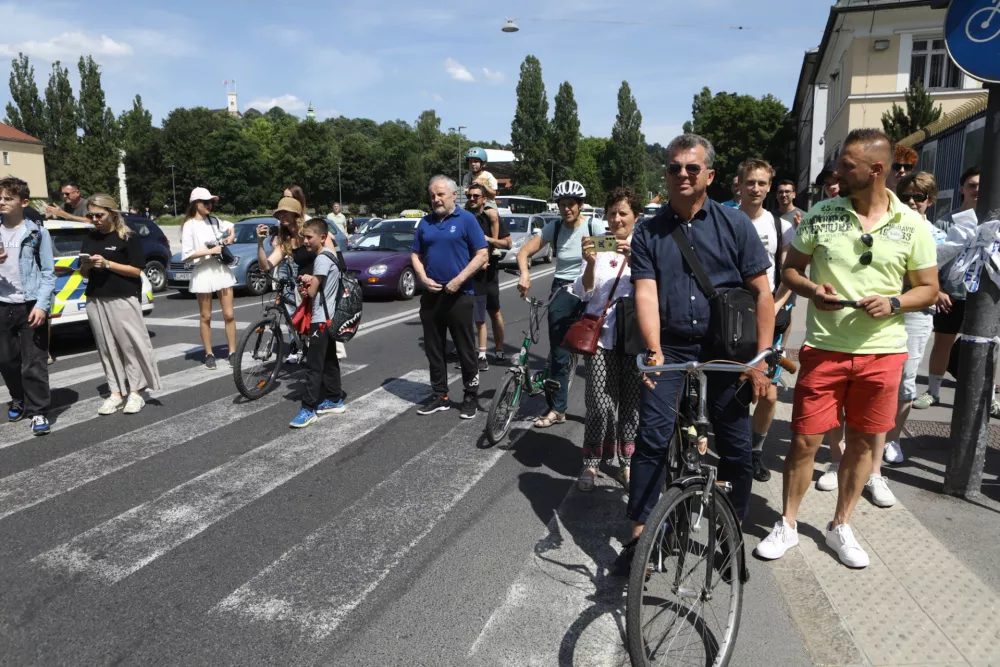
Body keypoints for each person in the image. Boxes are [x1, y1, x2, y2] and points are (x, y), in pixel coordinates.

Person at [756, 128, 938, 568]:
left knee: (860, 444)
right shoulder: (822, 214)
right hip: (823, 348)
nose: (837, 172)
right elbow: (791, 270)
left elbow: (929, 289)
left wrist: (894, 301)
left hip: (884, 353)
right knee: (803, 441)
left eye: (846, 165)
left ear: (876, 170)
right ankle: (789, 524)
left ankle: (841, 525)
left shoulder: (912, 224)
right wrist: (813, 290)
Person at [623, 134, 774, 567]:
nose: (683, 174)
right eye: (674, 167)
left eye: (692, 168)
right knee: (651, 435)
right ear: (666, 174)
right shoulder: (649, 231)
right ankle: (640, 534)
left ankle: (732, 532)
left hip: (726, 346)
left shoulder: (735, 225)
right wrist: (652, 350)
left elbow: (761, 293)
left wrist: (761, 357)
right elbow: (646, 294)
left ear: (709, 175)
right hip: (670, 343)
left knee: (736, 444)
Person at [877, 172, 947, 504]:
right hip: (883, 308)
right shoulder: (889, 225)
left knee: (906, 380)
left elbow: (934, 276)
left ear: (930, 201)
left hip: (917, 314)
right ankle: (859, 444)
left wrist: (938, 289)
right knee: (874, 377)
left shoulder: (935, 233)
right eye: (907, 195)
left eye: (919, 197)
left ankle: (893, 440)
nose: (912, 202)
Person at [516, 180, 607, 428]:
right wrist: (524, 274)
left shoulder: (593, 224)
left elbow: (611, 248)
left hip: (591, 287)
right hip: (562, 289)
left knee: (595, 352)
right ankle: (558, 409)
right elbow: (523, 253)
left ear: (581, 205)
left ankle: (600, 409)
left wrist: (594, 248)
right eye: (562, 205)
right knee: (559, 352)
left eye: (571, 205)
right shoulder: (554, 227)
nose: (566, 209)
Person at [572, 187, 643, 492]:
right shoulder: (599, 245)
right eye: (612, 212)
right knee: (599, 403)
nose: (616, 219)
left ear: (635, 216)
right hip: (600, 336)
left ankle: (627, 463)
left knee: (630, 404)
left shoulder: (646, 244)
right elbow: (585, 291)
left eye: (623, 212)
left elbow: (657, 289)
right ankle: (591, 461)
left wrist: (637, 259)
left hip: (634, 336)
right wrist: (589, 262)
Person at [411, 175, 488, 419]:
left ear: (454, 195)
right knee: (434, 349)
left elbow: (482, 255)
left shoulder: (466, 220)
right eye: (432, 195)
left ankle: (470, 396)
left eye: (441, 194)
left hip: (460, 294)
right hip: (431, 295)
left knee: (465, 349)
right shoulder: (425, 223)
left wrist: (458, 280)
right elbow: (415, 255)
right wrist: (423, 278)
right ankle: (440, 395)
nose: (436, 199)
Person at [739, 158, 795, 483]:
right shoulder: (728, 221)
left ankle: (755, 450)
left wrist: (776, 306)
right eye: (750, 182)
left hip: (769, 318)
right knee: (734, 385)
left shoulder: (780, 227)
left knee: (769, 394)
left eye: (761, 183)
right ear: (740, 184)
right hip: (732, 318)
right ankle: (732, 445)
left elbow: (788, 274)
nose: (756, 188)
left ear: (769, 186)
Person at [79, 194, 161, 415]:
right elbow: (83, 274)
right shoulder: (91, 238)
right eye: (91, 215)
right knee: (106, 347)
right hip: (96, 297)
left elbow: (136, 270)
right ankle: (115, 392)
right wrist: (86, 265)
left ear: (112, 214)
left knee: (130, 346)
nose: (95, 219)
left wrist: (107, 263)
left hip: (123, 297)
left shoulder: (127, 237)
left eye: (99, 215)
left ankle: (136, 392)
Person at [913, 165, 981, 410]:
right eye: (971, 185)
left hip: (982, 298)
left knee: (989, 346)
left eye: (980, 185)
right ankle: (933, 391)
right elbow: (932, 261)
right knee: (943, 342)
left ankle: (988, 397)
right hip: (951, 295)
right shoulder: (946, 222)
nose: (976, 189)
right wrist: (938, 290)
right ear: (962, 188)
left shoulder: (993, 223)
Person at [0, 176, 55, 435]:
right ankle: (18, 397)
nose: (1, 202)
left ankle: (38, 410)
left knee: (33, 362)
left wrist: (42, 305)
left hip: (30, 304)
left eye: (7, 198)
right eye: (0, 198)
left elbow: (48, 273)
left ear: (24, 202)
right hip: (2, 305)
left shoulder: (37, 233)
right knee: (6, 360)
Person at [288, 218, 346, 428]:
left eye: (309, 237)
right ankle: (334, 399)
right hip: (331, 318)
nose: (305, 241)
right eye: (304, 236)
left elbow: (313, 291)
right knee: (330, 360)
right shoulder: (331, 256)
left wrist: (306, 284)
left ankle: (308, 408)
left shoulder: (321, 259)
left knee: (314, 366)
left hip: (321, 319)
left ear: (322, 237)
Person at [181, 187, 237, 370]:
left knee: (229, 314)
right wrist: (210, 251)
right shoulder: (189, 225)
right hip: (203, 270)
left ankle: (232, 352)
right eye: (206, 202)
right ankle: (209, 353)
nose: (209, 205)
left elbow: (230, 225)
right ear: (196, 204)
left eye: (211, 202)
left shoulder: (213, 221)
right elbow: (187, 255)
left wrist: (231, 236)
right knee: (206, 316)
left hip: (220, 269)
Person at [257, 197, 310, 363]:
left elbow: (326, 255)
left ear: (295, 214)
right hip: (300, 284)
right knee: (290, 312)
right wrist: (259, 242)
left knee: (316, 326)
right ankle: (298, 348)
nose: (282, 216)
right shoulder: (285, 241)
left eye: (285, 213)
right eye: (279, 214)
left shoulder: (307, 233)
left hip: (316, 283)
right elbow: (267, 265)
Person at [466, 182, 511, 370]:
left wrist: (489, 240)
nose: (472, 199)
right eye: (469, 196)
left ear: (484, 199)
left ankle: (499, 349)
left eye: (476, 196)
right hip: (470, 272)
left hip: (489, 272)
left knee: (494, 312)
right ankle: (478, 353)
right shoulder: (465, 217)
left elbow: (507, 244)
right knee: (473, 314)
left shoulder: (491, 216)